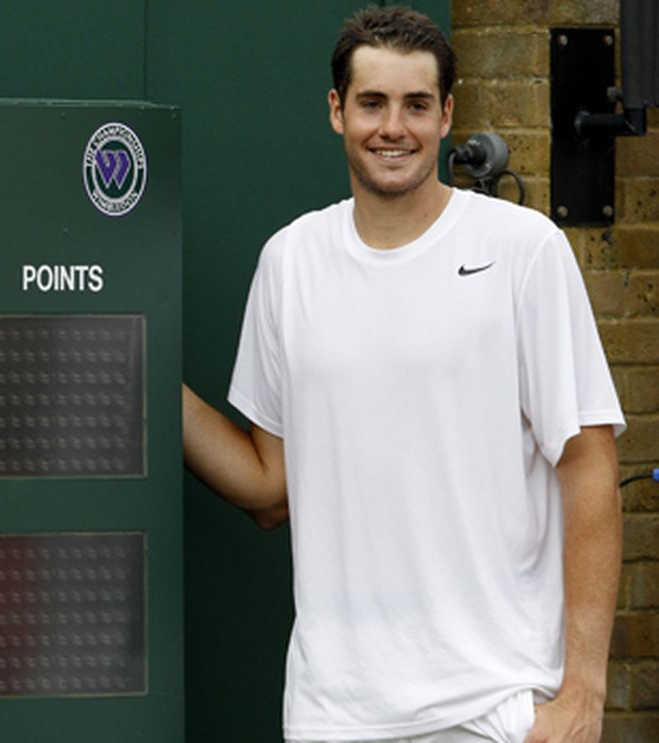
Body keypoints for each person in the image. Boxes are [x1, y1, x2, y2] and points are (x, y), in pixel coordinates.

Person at [183, 6, 624, 742]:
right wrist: (134, 383)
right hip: (335, 715)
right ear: (337, 112)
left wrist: (583, 691)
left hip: (495, 710)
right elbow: (269, 487)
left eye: (417, 104)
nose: (395, 127)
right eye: (372, 103)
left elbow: (589, 466)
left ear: (447, 114)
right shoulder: (289, 263)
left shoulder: (523, 250)